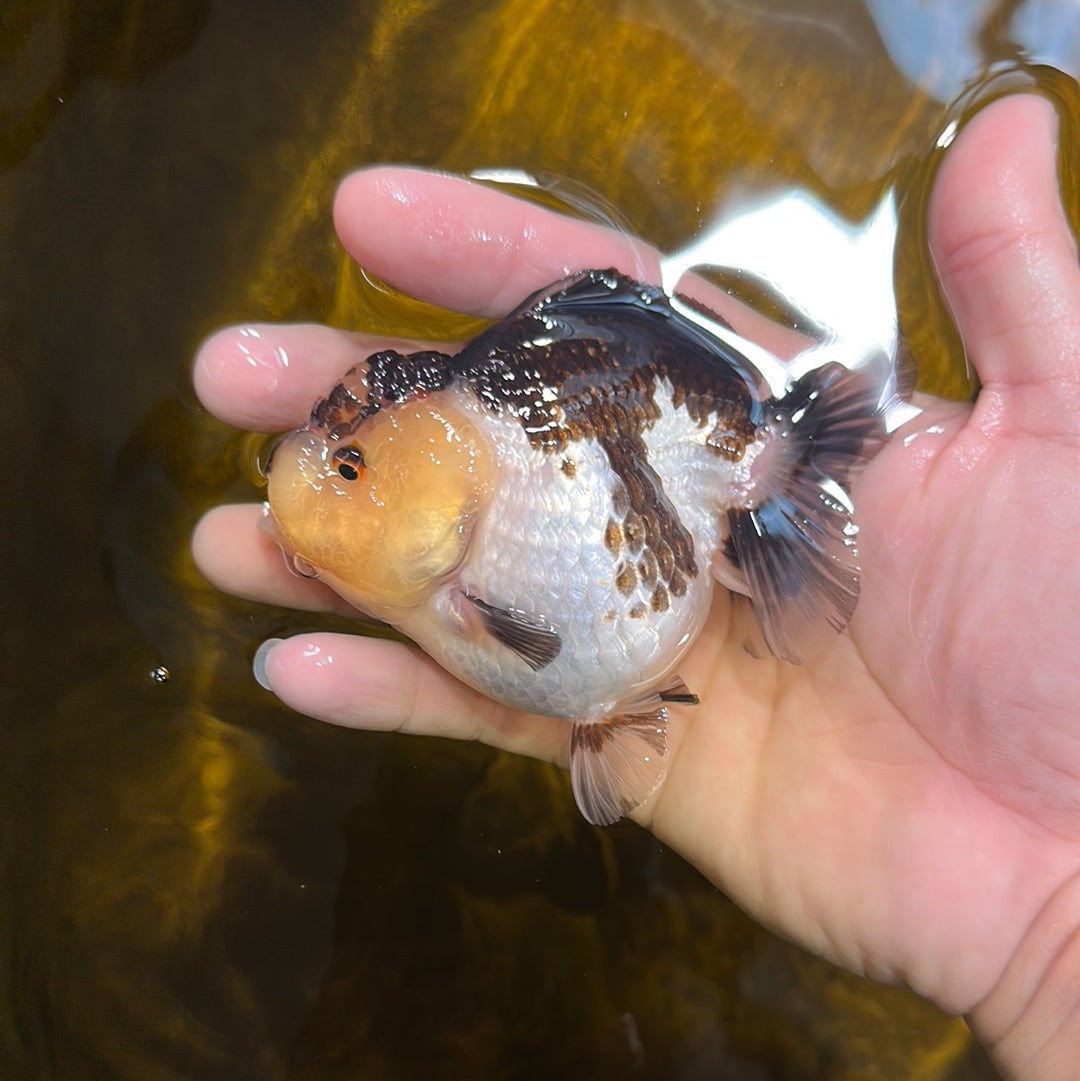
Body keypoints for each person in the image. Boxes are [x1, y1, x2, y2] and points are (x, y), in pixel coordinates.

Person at [192, 94, 1080, 1080]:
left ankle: (767, 463)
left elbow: (527, 644)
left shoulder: (472, 561)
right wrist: (1047, 951)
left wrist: (1049, 947)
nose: (335, 489)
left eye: (352, 474)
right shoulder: (450, 542)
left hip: (674, 532)